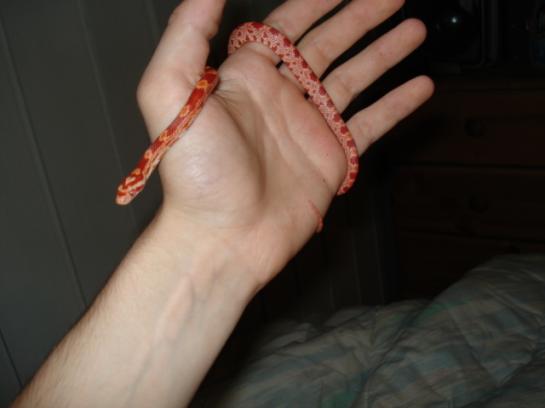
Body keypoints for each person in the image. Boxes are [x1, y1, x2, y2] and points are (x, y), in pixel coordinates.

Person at [12, 0, 433, 406]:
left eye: (128, 190)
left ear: (137, 180)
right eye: (128, 191)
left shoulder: (173, 133)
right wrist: (211, 237)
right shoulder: (168, 148)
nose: (128, 195)